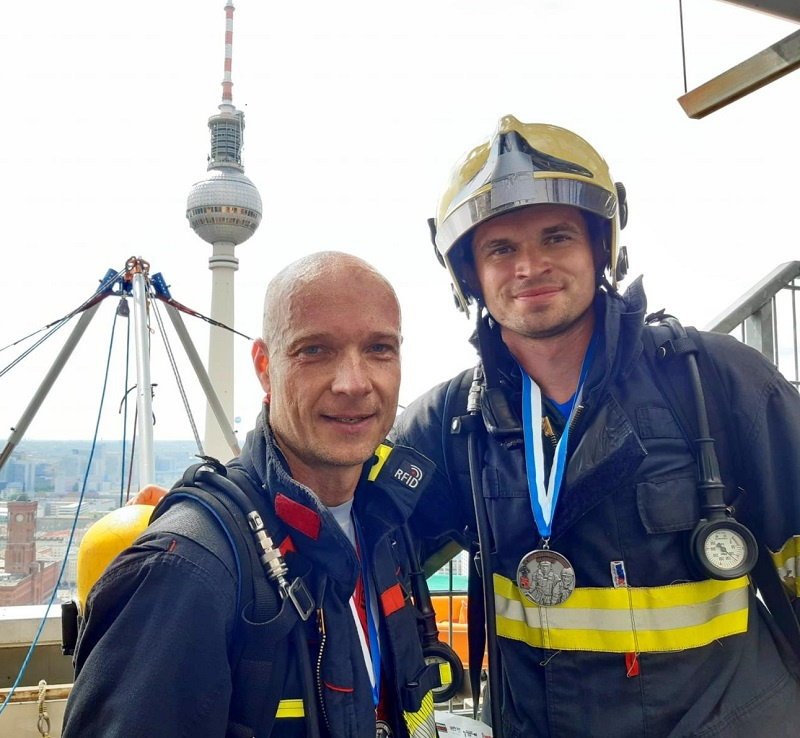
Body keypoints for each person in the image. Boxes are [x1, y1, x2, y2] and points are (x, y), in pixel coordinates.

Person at [392, 114, 800, 736]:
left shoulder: (716, 382)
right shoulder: (451, 425)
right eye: (501, 248)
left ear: (601, 247)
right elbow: (342, 514)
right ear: (468, 273)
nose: (530, 265)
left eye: (556, 237)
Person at [63, 251, 441, 737]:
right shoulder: (186, 570)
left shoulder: (387, 522)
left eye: (379, 349)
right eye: (315, 351)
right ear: (264, 366)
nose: (354, 383)